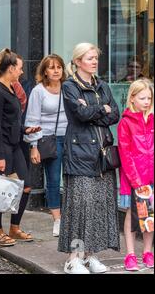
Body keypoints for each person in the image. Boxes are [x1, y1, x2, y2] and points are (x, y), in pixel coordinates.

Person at [59, 43, 120, 274]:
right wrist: (100, 109)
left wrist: (98, 109)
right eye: (89, 58)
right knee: (79, 208)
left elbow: (114, 114)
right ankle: (73, 258)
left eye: (95, 58)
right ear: (77, 61)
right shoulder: (69, 86)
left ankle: (90, 256)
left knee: (98, 206)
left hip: (102, 154)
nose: (94, 62)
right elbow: (80, 114)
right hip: (79, 154)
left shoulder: (102, 85)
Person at [0, 48, 40, 247]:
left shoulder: (11, 88)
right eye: (19, 68)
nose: (22, 72)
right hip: (0, 147)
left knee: (25, 186)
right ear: (10, 68)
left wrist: (25, 129)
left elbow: (11, 121)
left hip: (14, 145)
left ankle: (14, 228)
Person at [24, 55, 68, 237]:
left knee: (72, 178)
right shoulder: (38, 91)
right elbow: (32, 119)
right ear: (44, 72)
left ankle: (71, 217)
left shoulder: (68, 88)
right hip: (49, 139)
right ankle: (57, 220)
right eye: (51, 67)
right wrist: (34, 145)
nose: (56, 70)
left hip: (71, 138)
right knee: (53, 180)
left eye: (59, 67)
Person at [118, 79, 154, 271]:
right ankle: (130, 254)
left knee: (150, 216)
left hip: (152, 177)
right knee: (133, 215)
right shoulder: (126, 123)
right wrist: (136, 181)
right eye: (142, 98)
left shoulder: (153, 120)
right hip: (135, 178)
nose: (147, 101)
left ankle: (148, 252)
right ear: (132, 98)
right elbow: (126, 154)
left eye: (149, 98)